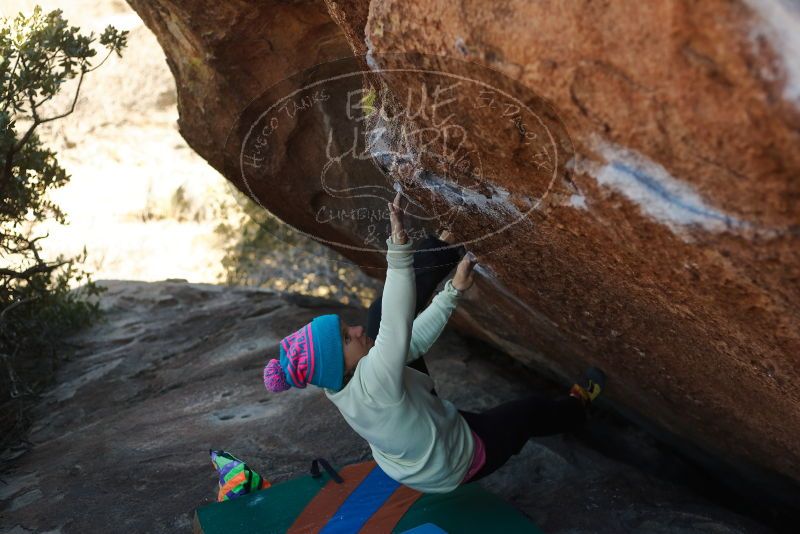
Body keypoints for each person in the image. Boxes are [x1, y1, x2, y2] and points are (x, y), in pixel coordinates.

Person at [263, 191, 606, 493]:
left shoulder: (335, 383)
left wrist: (452, 292)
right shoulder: (373, 382)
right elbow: (398, 324)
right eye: (345, 338)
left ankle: (447, 244)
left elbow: (409, 344)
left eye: (344, 327)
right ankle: (579, 407)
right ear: (341, 363)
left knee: (378, 318)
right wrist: (398, 248)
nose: (354, 331)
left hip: (423, 438)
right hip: (452, 462)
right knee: (528, 412)